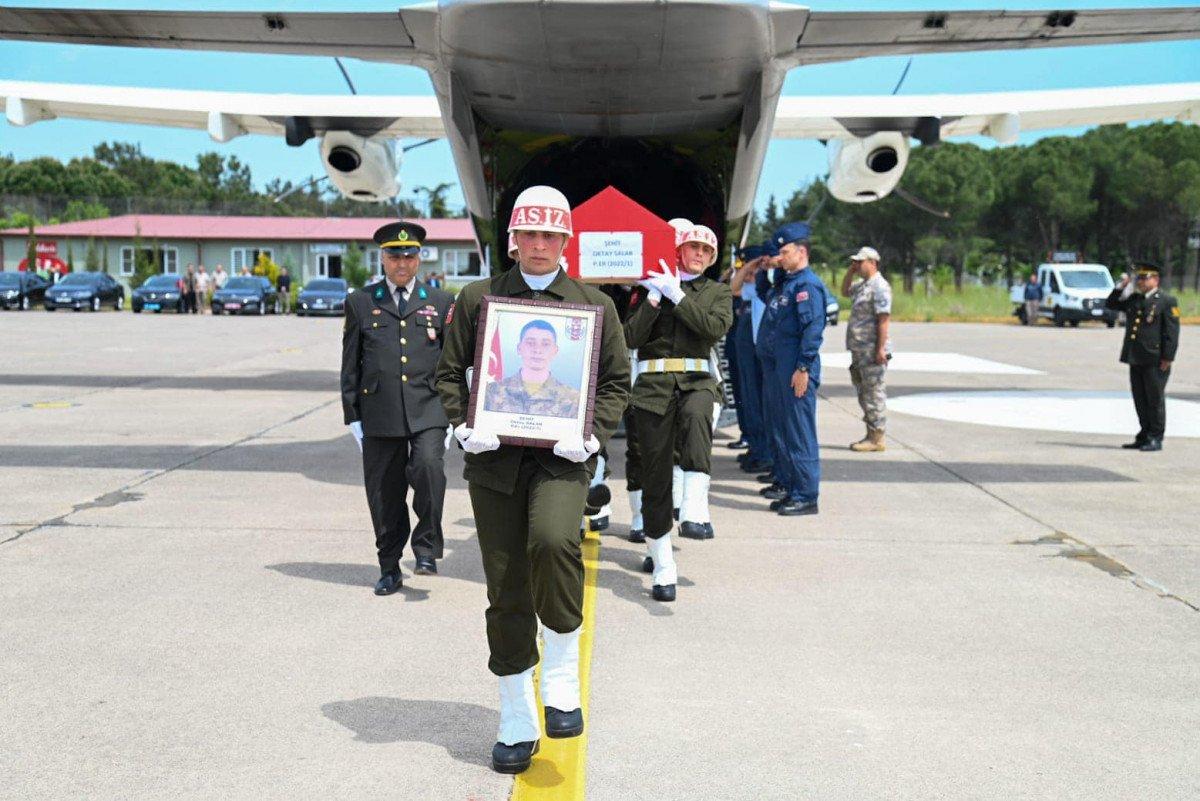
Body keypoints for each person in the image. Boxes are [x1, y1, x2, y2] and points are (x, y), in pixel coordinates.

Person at [435, 185, 630, 774]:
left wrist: (592, 432)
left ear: (566, 241)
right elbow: (449, 373)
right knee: (505, 585)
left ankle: (562, 667)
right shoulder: (478, 298)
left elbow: (617, 381)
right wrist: (462, 424)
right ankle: (515, 715)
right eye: (529, 235)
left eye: (551, 236)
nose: (539, 246)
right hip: (494, 461)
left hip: (561, 459)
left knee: (553, 541)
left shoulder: (595, 305)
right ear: (513, 240)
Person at [341, 220, 453, 594]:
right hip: (380, 412)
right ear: (382, 258)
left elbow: (452, 363)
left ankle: (426, 549)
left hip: (429, 408)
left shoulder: (440, 302)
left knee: (428, 469)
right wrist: (352, 417)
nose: (401, 262)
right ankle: (389, 566)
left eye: (409, 255)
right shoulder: (361, 301)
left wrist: (456, 414)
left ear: (419, 258)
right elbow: (350, 363)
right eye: (394, 255)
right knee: (384, 493)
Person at [625, 221, 732, 601]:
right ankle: (663, 562)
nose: (700, 254)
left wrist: (680, 298)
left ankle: (696, 507)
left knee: (697, 418)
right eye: (693, 248)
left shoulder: (718, 293)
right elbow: (631, 338)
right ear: (679, 251)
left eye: (707, 250)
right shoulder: (649, 287)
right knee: (655, 478)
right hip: (653, 388)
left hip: (697, 381)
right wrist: (655, 299)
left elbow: (713, 329)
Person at [759, 222, 830, 516]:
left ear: (801, 252)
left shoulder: (807, 286)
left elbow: (813, 329)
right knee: (785, 430)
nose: (781, 256)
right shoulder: (787, 283)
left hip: (796, 370)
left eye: (785, 251)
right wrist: (767, 268)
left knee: (799, 433)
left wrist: (803, 367)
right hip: (780, 370)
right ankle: (791, 487)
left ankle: (806, 495)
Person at [1104, 262, 1180, 451]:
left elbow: (1172, 332)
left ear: (1156, 280)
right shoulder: (1135, 299)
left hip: (1155, 359)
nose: (1141, 281)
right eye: (1139, 278)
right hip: (1136, 356)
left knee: (1154, 399)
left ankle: (1156, 436)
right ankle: (1144, 433)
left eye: (1144, 278)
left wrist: (1168, 357)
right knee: (1140, 398)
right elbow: (1111, 304)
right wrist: (1121, 286)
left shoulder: (1166, 301)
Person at [840, 246, 892, 452]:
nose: (857, 265)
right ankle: (871, 433)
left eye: (860, 262)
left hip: (872, 350)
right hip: (860, 349)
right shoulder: (863, 286)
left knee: (874, 392)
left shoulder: (880, 286)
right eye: (856, 262)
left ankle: (877, 437)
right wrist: (850, 272)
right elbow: (844, 291)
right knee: (864, 392)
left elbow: (884, 319)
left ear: (873, 262)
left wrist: (880, 349)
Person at [729, 243, 773, 475]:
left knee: (758, 401)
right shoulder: (747, 289)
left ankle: (765, 453)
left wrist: (758, 268)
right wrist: (748, 266)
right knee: (749, 398)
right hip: (746, 343)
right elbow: (733, 287)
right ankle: (757, 448)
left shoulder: (764, 287)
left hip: (758, 349)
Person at [483, 319, 582, 416]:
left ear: (555, 351)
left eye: (545, 344)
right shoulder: (491, 392)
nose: (537, 350)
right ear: (519, 348)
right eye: (530, 343)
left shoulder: (572, 400)